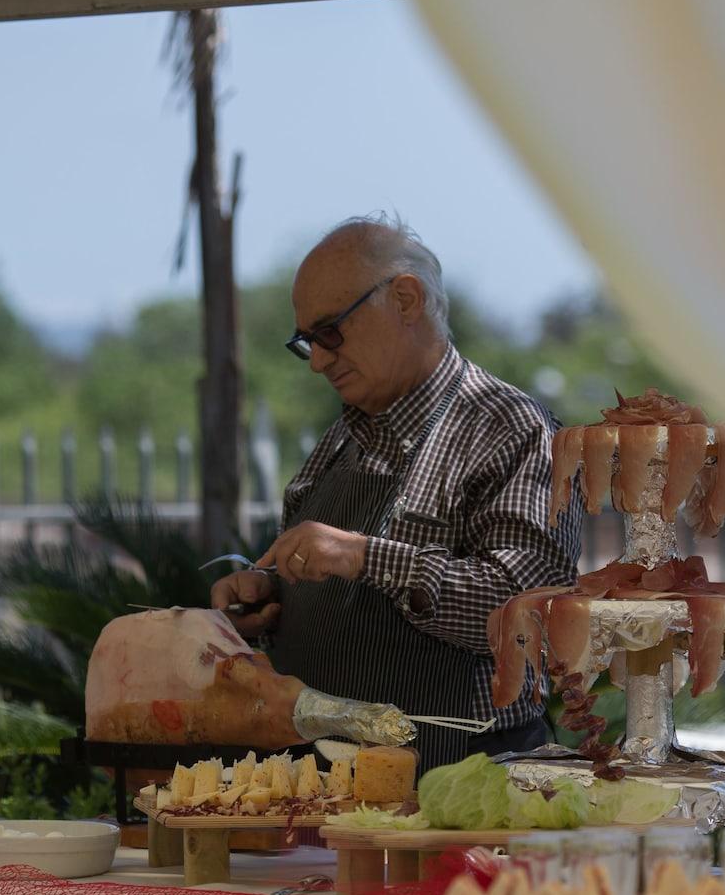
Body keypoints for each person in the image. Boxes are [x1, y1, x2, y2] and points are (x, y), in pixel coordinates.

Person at [209, 215, 582, 768]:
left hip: (458, 787)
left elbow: (525, 616)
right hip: (327, 786)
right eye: (304, 342)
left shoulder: (510, 428)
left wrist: (362, 556)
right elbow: (335, 594)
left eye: (329, 332)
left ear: (406, 299)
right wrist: (267, 594)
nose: (316, 361)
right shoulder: (342, 436)